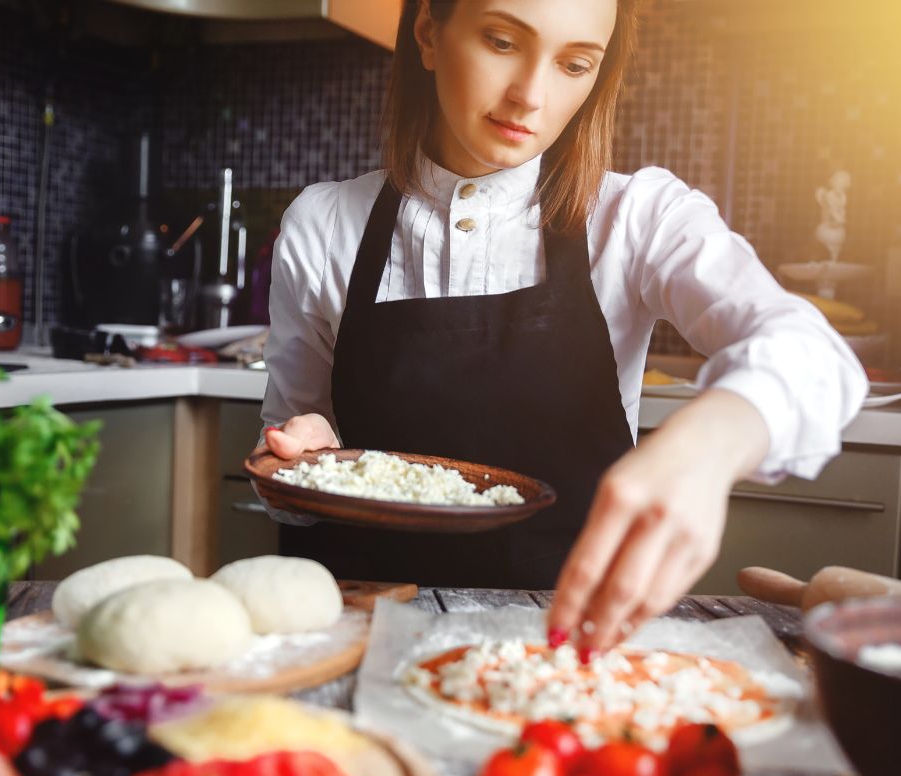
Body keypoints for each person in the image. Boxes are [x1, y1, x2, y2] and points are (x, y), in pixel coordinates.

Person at [254, 0, 867, 659]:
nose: (530, 96)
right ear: (429, 32)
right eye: (500, 40)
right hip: (362, 638)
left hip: (564, 645)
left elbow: (814, 355)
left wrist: (712, 445)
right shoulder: (323, 225)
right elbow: (291, 483)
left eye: (575, 64)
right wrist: (307, 461)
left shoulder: (639, 218)